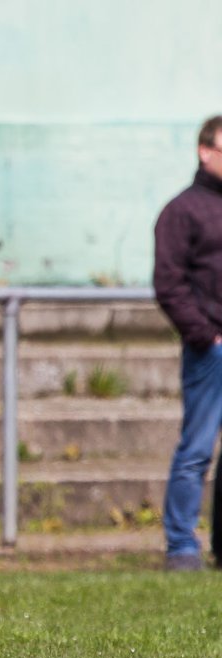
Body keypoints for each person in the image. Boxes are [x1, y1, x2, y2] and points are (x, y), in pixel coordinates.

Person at [154, 115, 222, 571]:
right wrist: (207, 336)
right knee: (196, 450)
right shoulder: (182, 210)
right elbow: (169, 283)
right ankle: (181, 546)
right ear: (205, 151)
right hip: (211, 352)